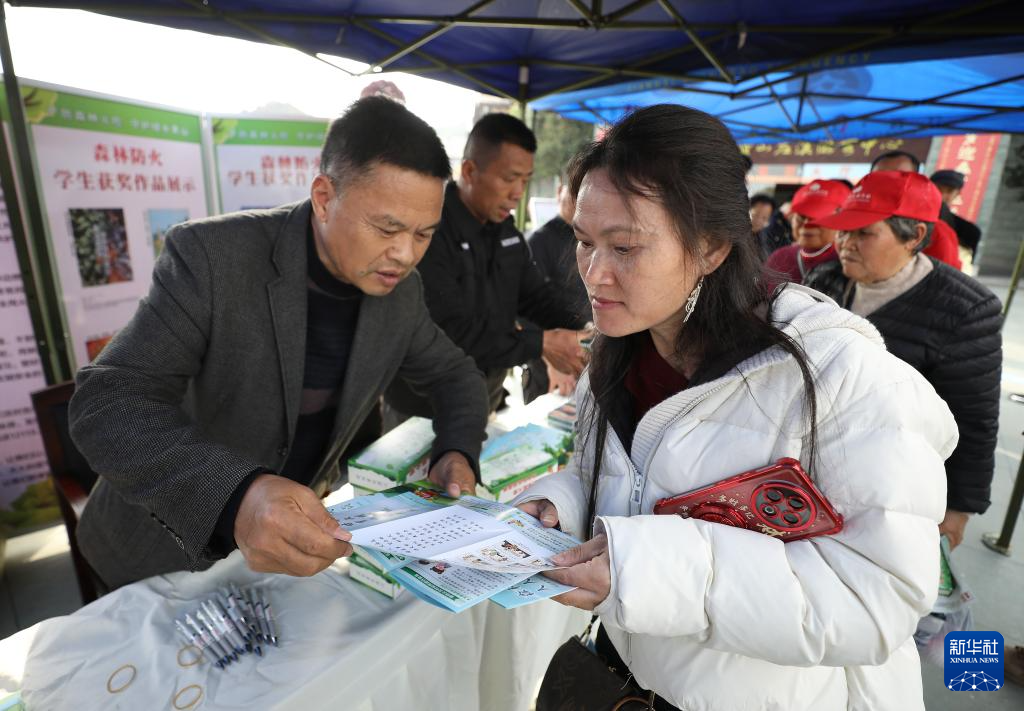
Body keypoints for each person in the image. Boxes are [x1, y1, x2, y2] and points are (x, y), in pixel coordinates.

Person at [515, 105, 956, 710]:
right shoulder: (618, 352)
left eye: (625, 247)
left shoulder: (841, 377)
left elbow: (874, 598)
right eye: (584, 241)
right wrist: (563, 505)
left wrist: (645, 570)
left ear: (711, 248)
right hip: (624, 681)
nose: (594, 273)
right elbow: (629, 482)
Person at [68, 97, 489, 589]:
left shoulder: (401, 293)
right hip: (160, 549)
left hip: (282, 555)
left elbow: (455, 375)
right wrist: (235, 496)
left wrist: (456, 450)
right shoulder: (213, 257)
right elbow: (107, 400)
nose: (405, 253)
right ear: (324, 197)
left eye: (424, 234)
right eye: (387, 228)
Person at [805, 169, 1002, 550]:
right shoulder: (824, 279)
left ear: (914, 236)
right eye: (844, 231)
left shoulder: (967, 309)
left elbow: (974, 417)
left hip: (892, 485)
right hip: (811, 468)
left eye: (864, 233)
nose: (846, 244)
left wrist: (959, 507)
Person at [385, 112, 589, 419]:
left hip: (484, 396)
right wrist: (541, 343)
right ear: (469, 171)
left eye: (525, 180)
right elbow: (450, 330)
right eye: (509, 179)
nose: (518, 193)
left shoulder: (506, 232)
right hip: (423, 407)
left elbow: (536, 297)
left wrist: (586, 327)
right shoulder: (429, 230)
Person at [522, 177, 590, 402]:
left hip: (584, 353)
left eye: (584, 191)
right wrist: (551, 361)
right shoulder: (538, 242)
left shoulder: (587, 238)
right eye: (574, 191)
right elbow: (522, 310)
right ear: (560, 191)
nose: (579, 199)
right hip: (548, 363)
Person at [870, 151, 961, 269]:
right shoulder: (852, 219)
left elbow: (944, 277)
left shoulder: (938, 233)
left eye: (900, 177)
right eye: (879, 177)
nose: (887, 184)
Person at [764, 179, 850, 288]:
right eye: (801, 216)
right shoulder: (779, 258)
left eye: (817, 216)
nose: (806, 223)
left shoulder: (849, 263)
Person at [931, 169, 983, 261]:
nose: (942, 195)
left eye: (949, 191)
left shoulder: (968, 232)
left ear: (958, 194)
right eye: (938, 188)